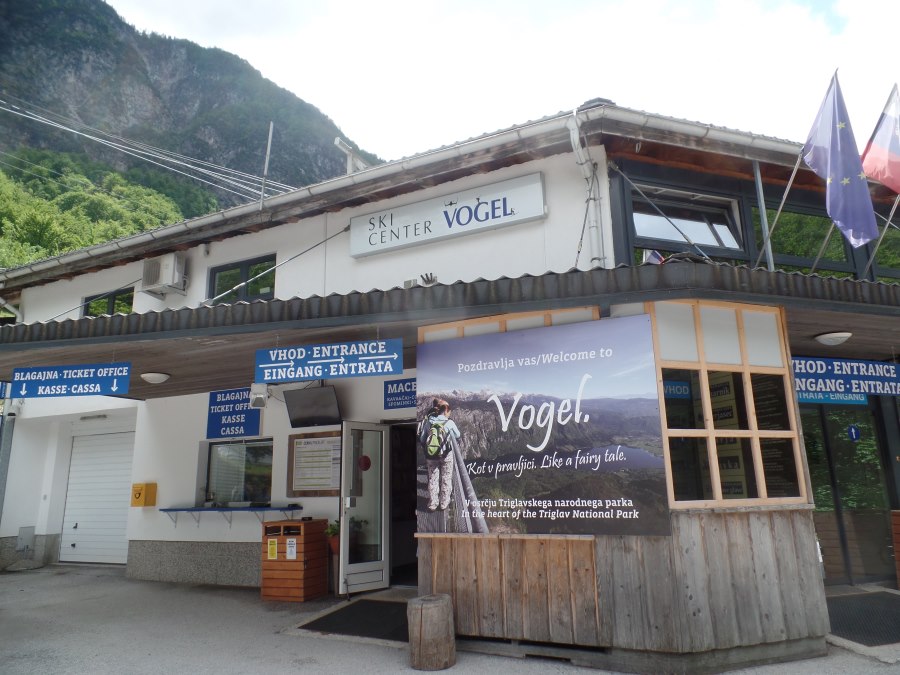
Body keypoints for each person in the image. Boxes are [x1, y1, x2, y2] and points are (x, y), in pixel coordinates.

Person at [419, 398, 461, 512]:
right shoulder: (449, 422)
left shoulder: (429, 422)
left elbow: (422, 439)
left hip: (431, 456)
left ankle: (432, 504)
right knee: (446, 478)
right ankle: (443, 504)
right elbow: (458, 435)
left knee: (433, 478)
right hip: (446, 455)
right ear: (446, 410)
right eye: (449, 412)